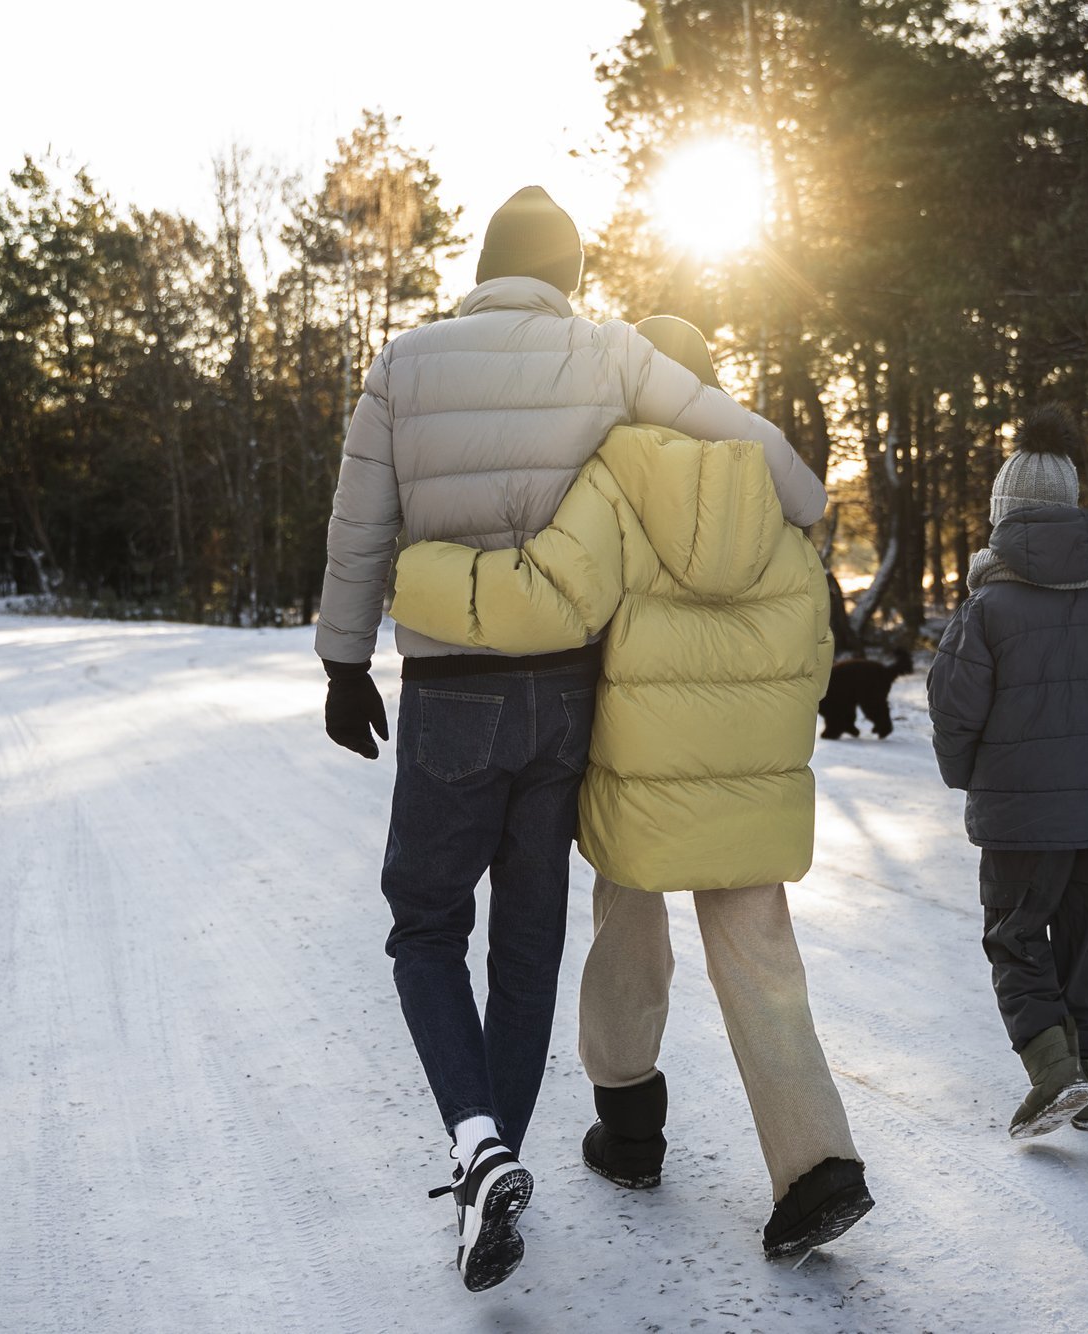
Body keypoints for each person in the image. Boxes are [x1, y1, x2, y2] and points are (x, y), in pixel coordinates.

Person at [315, 190, 826, 1292]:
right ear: (569, 276)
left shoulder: (404, 361)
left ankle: (477, 1142)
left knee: (424, 926)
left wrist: (342, 659)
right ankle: (489, 1161)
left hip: (450, 689)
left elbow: (359, 520)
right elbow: (739, 437)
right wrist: (806, 498)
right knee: (529, 943)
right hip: (565, 696)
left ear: (483, 265)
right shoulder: (603, 354)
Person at [391, 316, 870, 1260]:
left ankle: (630, 1129)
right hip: (748, 772)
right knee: (763, 962)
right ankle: (817, 1168)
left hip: (637, 769)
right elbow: (816, 646)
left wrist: (418, 575)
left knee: (626, 932)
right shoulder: (770, 488)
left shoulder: (616, 476)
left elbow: (549, 597)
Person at [924, 406, 1088, 1139]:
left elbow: (953, 710)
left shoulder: (987, 605)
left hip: (1018, 818)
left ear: (1003, 515)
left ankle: (1053, 1072)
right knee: (1085, 942)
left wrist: (974, 777)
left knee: (1015, 937)